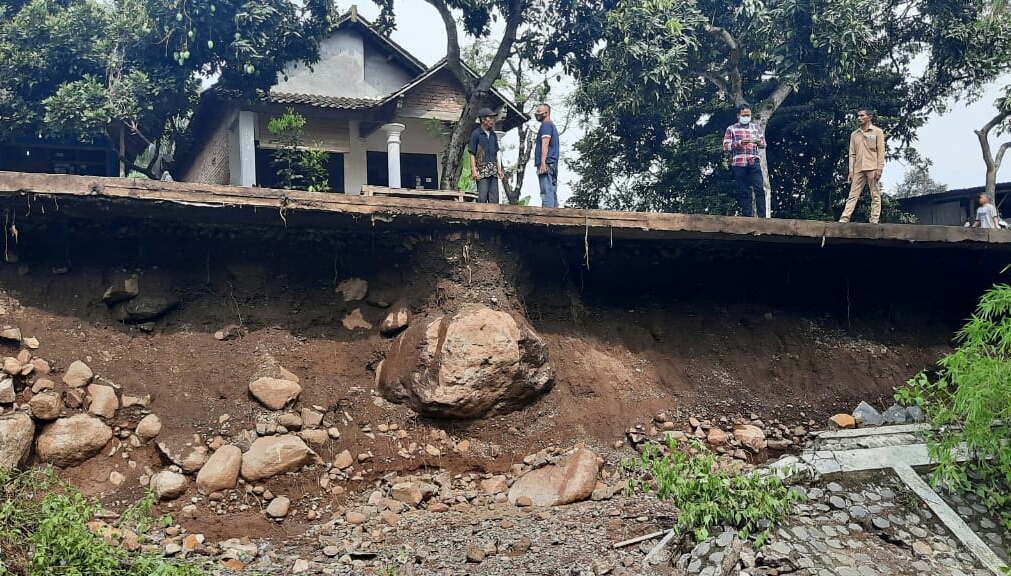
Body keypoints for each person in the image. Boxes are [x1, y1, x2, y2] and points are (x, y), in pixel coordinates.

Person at [840, 108, 886, 223]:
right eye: (858, 116)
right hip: (858, 168)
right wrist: (851, 171)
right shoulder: (854, 134)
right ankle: (845, 218)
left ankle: (874, 218)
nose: (859, 118)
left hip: (872, 167)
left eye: (862, 116)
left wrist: (879, 168)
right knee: (853, 194)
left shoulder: (877, 132)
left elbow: (881, 151)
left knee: (875, 194)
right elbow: (852, 154)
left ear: (869, 117)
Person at [722, 103, 767, 217]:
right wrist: (740, 143)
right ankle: (747, 217)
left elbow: (764, 144)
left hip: (753, 160)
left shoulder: (756, 128)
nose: (746, 117)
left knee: (759, 188)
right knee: (744, 190)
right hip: (739, 163)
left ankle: (762, 217)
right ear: (738, 115)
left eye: (748, 115)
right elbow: (726, 146)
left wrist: (758, 142)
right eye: (744, 115)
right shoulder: (731, 129)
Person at [468, 107, 504, 204]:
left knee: (494, 199)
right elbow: (472, 153)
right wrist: (474, 170)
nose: (492, 120)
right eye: (490, 118)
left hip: (493, 171)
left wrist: (499, 169)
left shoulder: (493, 135)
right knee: (482, 197)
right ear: (483, 119)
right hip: (482, 171)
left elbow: (496, 152)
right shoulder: (476, 134)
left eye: (493, 118)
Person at [533, 103, 560, 208]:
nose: (537, 114)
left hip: (547, 162)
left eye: (539, 111)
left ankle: (548, 213)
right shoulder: (551, 126)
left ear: (546, 113)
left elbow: (545, 143)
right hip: (553, 162)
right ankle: (554, 212)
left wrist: (543, 163)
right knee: (552, 190)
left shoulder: (546, 125)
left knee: (546, 191)